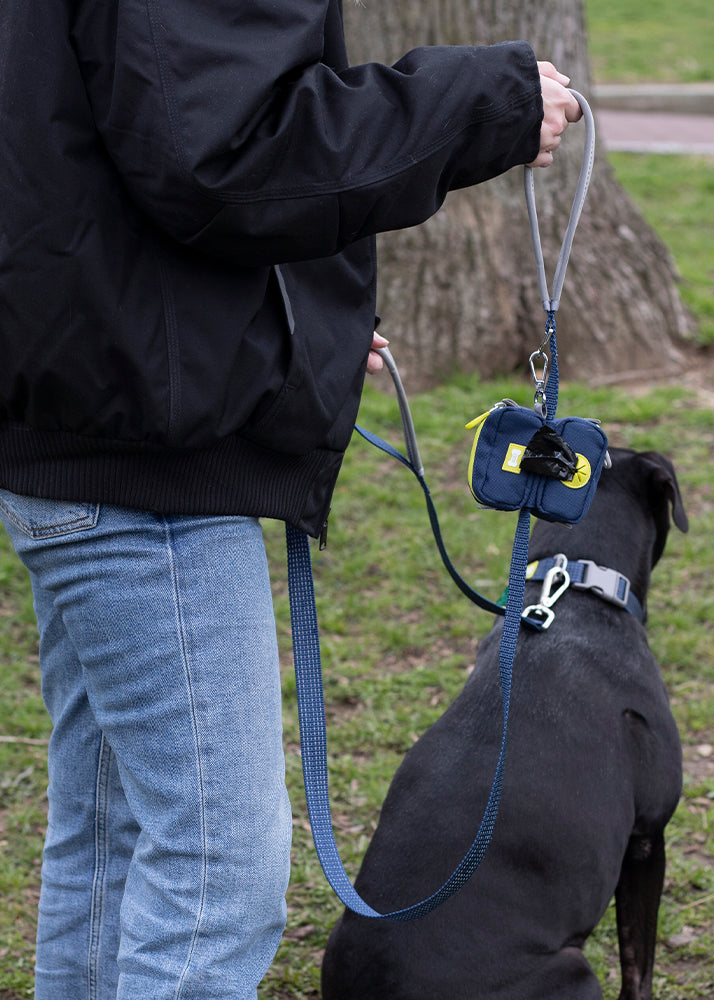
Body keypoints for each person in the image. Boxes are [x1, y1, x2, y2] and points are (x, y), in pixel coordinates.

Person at [0, 1, 581, 997]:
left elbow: (129, 142)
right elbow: (230, 155)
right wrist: (488, 101)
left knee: (115, 836)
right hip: (144, 457)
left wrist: (299, 321)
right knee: (217, 873)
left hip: (87, 415)